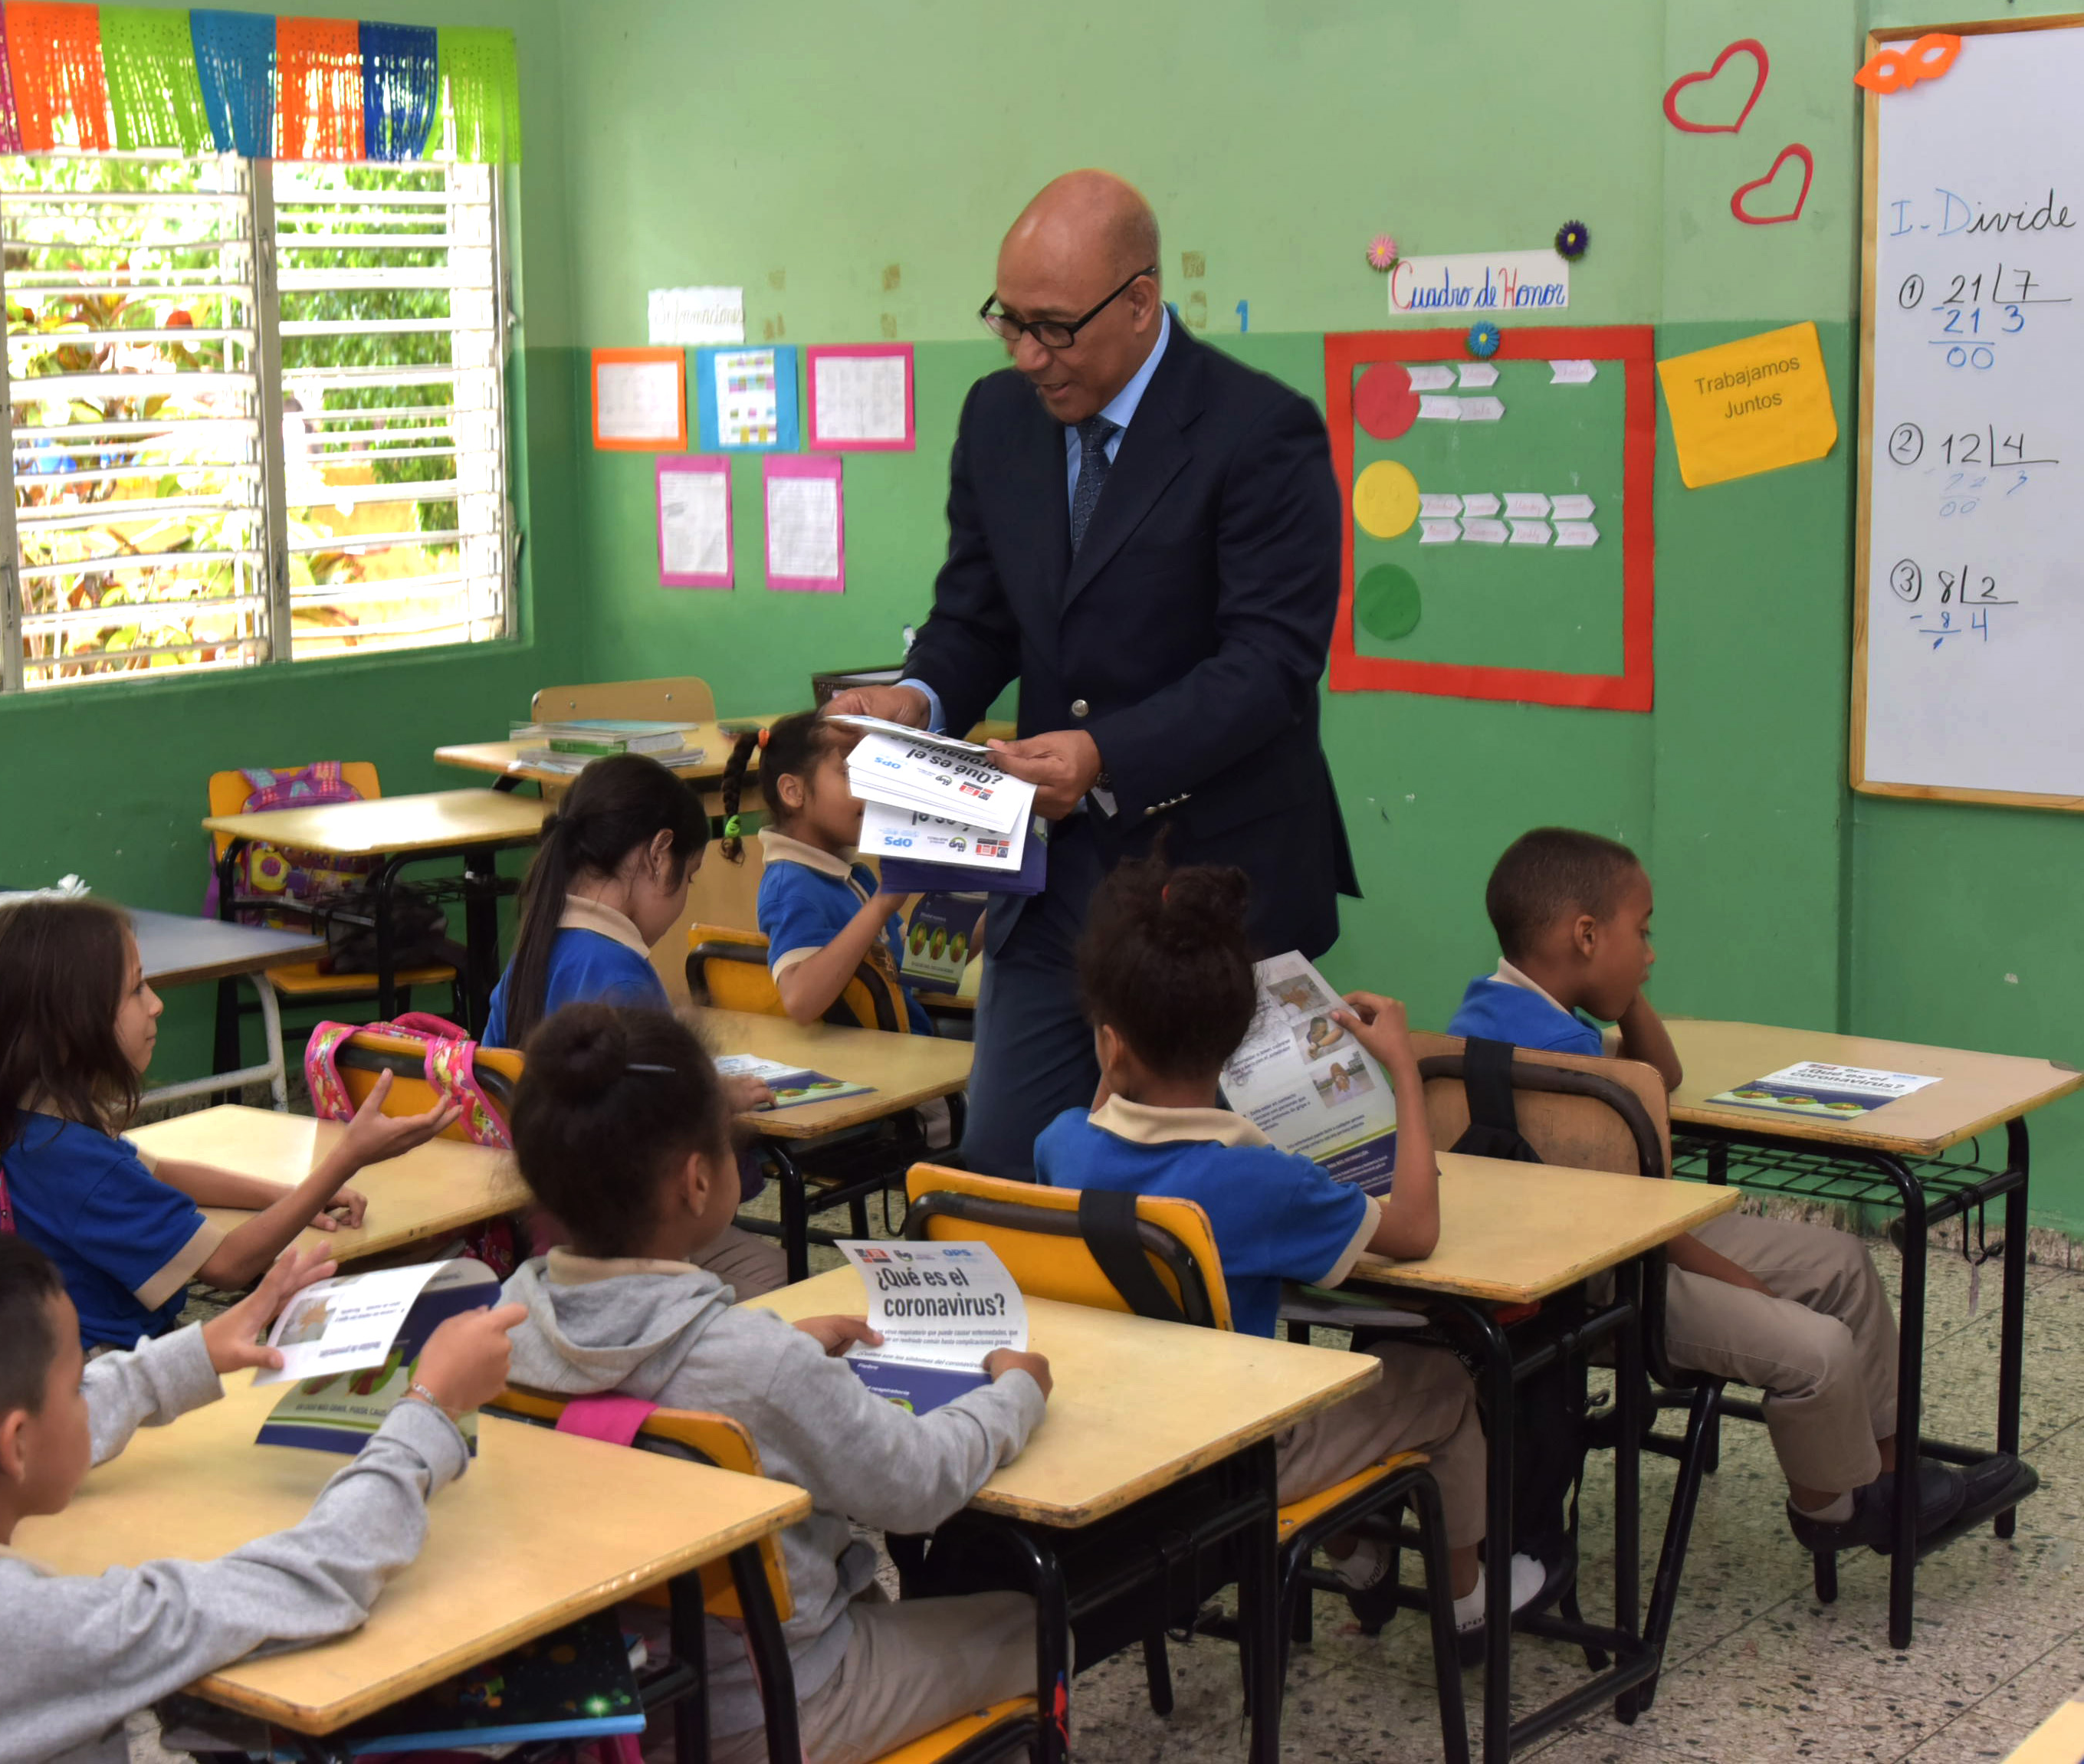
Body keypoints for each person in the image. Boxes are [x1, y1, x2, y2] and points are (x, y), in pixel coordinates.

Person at [825, 171, 1355, 1182]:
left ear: (1142, 301)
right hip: (1053, 873)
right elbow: (975, 618)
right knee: (1002, 1170)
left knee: (1207, 1197)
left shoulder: (1258, 433)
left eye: (1055, 328)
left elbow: (1268, 668)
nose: (1028, 355)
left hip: (1213, 887)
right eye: (1009, 323)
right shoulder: (997, 420)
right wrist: (919, 695)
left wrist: (1105, 750)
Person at [500, 1002, 1050, 1764]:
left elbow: (637, 1398)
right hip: (771, 1708)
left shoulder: (503, 1326)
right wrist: (1015, 1391)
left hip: (603, 1697)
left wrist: (775, 1353)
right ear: (697, 1181)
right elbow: (921, 1484)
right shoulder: (754, 1367)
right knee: (1035, 1626)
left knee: (873, 1601)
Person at [0, 1227, 523, 1764]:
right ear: (14, 1446)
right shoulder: (32, 1628)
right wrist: (424, 1412)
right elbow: (313, 1578)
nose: (90, 1392)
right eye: (76, 1382)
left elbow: (32, 1427)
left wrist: (193, 1356)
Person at [1451, 828, 2025, 1554]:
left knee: (1840, 1264)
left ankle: (1884, 1479)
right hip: (1606, 1281)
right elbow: (1646, 1233)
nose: (1652, 952)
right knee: (1817, 1348)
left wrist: (1623, 993)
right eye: (1643, 931)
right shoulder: (1569, 1070)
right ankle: (1834, 1510)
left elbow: (1663, 1078)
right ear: (1587, 935)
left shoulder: (1498, 1014)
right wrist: (1745, 1286)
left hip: (1627, 1243)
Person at [1034, 858, 1542, 1634]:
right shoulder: (1261, 1183)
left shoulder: (1059, 1147)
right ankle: (1467, 1596)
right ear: (1236, 1042)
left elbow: (1105, 1118)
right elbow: (1413, 1230)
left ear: (1109, 1046)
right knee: (1440, 1382)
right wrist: (1404, 1069)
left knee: (1306, 1384)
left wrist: (1114, 1064)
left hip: (1111, 1436)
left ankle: (1359, 1559)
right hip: (1228, 1459)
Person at [0, 896, 457, 1350]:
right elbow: (230, 1265)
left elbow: (161, 1171)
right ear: (67, 1023)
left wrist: (293, 1194)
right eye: (135, 990)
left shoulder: (10, 1116)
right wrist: (346, 1158)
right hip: (109, 1378)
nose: (156, 1004)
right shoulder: (79, 1165)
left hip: (36, 1363)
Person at [489, 753, 787, 1298]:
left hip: (549, 1220)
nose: (682, 898)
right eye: (690, 877)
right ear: (658, 854)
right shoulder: (622, 979)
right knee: (771, 1271)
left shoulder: (532, 952)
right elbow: (650, 1136)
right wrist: (713, 1102)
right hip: (623, 1229)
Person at [722, 711, 932, 1034]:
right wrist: (880, 906)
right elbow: (800, 1000)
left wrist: (997, 913)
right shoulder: (791, 888)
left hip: (914, 1054)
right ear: (794, 792)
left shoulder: (853, 875)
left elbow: (918, 968)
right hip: (888, 1068)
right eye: (851, 773)